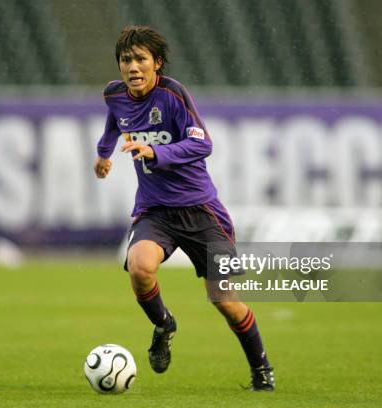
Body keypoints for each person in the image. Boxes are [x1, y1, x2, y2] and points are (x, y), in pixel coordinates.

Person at [94, 25, 275, 391]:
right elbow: (116, 122)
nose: (132, 66)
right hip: (155, 211)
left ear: (156, 63)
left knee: (224, 301)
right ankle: (164, 324)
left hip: (202, 213)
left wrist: (155, 151)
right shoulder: (115, 95)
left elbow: (203, 144)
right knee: (140, 267)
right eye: (126, 60)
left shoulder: (172, 95)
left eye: (141, 59)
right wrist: (103, 154)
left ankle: (261, 369)